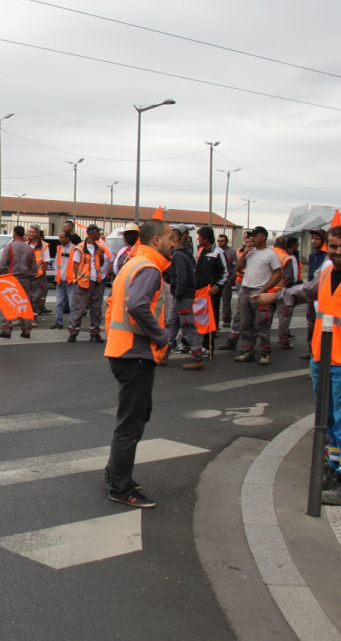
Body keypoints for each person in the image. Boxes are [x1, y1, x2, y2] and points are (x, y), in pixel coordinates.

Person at [256, 224, 341, 505]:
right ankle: (336, 469)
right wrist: (274, 296)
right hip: (322, 358)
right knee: (328, 419)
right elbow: (303, 292)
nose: (338, 252)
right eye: (333, 247)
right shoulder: (325, 274)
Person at [103, 218, 173, 509]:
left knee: (135, 417)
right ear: (156, 240)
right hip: (135, 352)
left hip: (123, 350)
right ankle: (120, 487)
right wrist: (161, 337)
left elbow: (111, 307)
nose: (173, 243)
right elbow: (136, 306)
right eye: (170, 238)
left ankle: (115, 474)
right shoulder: (149, 268)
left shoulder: (130, 265)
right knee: (131, 424)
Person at [230, 226, 282, 365]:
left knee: (261, 323)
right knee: (245, 322)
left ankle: (265, 352)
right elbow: (238, 268)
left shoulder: (271, 254)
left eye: (256, 235)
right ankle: (248, 351)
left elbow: (278, 274)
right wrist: (245, 252)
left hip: (259, 291)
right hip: (246, 290)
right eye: (252, 235)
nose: (252, 238)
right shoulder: (250, 252)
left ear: (263, 237)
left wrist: (265, 289)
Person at [164, 225, 201, 368]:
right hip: (181, 295)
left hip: (182, 296)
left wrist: (178, 292)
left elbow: (182, 278)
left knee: (187, 326)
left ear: (175, 239)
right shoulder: (184, 253)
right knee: (172, 324)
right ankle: (164, 354)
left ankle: (197, 357)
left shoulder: (178, 255)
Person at [68, 224, 110, 343]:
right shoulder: (80, 247)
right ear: (91, 233)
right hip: (84, 282)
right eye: (98, 233)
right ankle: (74, 331)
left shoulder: (98, 247)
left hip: (96, 281)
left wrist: (101, 254)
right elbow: (75, 265)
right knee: (79, 308)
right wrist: (78, 279)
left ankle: (95, 332)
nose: (100, 235)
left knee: (96, 308)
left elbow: (100, 264)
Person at [194, 226, 228, 359]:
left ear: (206, 238)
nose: (198, 239)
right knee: (199, 317)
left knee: (211, 319)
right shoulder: (200, 251)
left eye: (200, 237)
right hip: (199, 292)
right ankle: (197, 344)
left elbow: (225, 273)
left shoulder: (218, 252)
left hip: (211, 293)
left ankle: (209, 346)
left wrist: (217, 287)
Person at [0, 225, 36, 340]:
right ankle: (26, 329)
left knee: (9, 304)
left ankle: (6, 329)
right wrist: (30, 277)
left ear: (14, 233)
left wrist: (4, 276)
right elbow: (34, 268)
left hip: (12, 279)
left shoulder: (9, 246)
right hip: (25, 280)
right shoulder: (30, 249)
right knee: (24, 304)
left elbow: (3, 264)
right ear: (23, 234)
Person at [300, 229, 328, 360]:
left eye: (317, 239)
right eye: (313, 238)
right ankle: (311, 347)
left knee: (321, 321)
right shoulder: (312, 255)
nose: (314, 241)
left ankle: (321, 349)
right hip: (312, 290)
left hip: (323, 291)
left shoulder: (326, 255)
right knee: (310, 320)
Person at [52, 230, 76, 329]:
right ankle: (59, 322)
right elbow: (56, 263)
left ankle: (72, 324)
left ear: (67, 238)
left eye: (62, 237)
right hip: (60, 281)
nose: (60, 239)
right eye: (60, 237)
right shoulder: (59, 249)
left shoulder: (75, 249)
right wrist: (55, 276)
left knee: (72, 305)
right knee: (59, 304)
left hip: (70, 281)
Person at [28, 225, 50, 318]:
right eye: (30, 232)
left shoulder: (44, 246)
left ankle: (34, 315)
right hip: (28, 275)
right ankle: (29, 314)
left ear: (38, 233)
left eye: (33, 232)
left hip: (38, 275)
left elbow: (45, 262)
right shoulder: (26, 245)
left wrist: (42, 274)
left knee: (36, 297)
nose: (31, 234)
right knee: (28, 296)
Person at [216, 233, 237, 327]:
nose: (220, 242)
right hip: (216, 280)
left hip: (227, 280)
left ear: (226, 242)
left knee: (226, 301)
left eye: (222, 241)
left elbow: (235, 266)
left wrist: (230, 279)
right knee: (215, 302)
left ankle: (227, 320)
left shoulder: (232, 252)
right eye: (218, 241)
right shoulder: (215, 251)